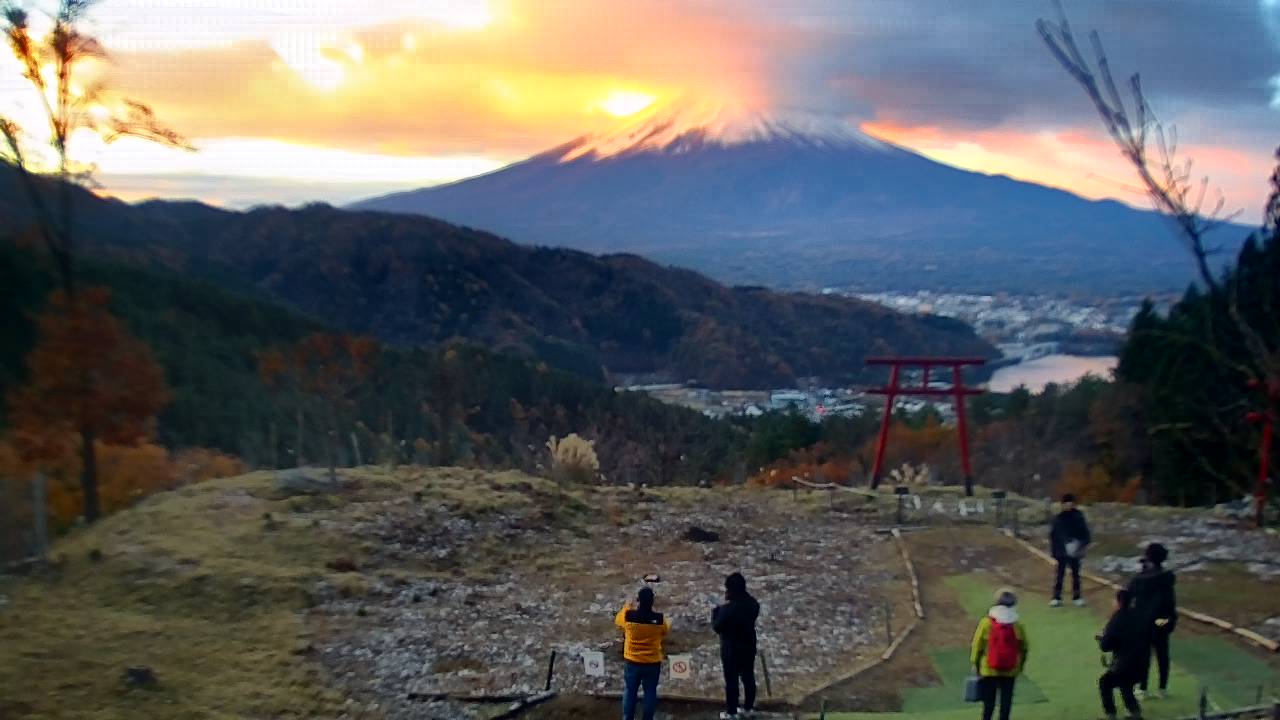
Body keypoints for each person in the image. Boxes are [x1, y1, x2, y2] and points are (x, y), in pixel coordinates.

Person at [970, 588, 1029, 720]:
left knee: (988, 704)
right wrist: (1020, 667)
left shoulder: (986, 623)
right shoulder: (1016, 625)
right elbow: (1024, 647)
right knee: (1005, 705)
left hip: (989, 670)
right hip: (1010, 670)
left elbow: (977, 646)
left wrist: (976, 664)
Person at [1128, 543, 1177, 699]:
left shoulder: (1139, 579)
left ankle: (1142, 688)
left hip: (1142, 622)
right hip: (1161, 621)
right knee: (1163, 654)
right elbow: (1171, 602)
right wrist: (1172, 620)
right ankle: (1163, 688)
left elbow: (1129, 595)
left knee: (1143, 655)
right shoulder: (1167, 578)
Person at [615, 587, 671, 720]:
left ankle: (628, 717)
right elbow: (666, 629)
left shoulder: (628, 616)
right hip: (652, 662)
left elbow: (618, 621)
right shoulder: (659, 619)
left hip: (632, 662)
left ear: (638, 601)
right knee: (650, 693)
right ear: (652, 602)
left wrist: (627, 605)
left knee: (630, 692)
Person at [712, 572, 761, 719]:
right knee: (748, 677)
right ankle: (748, 708)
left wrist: (715, 612)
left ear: (731, 589)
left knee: (731, 681)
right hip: (749, 645)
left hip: (731, 649)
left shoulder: (728, 610)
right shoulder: (753, 603)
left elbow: (717, 627)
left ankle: (732, 712)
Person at [1098, 589, 1145, 720]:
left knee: (1105, 683)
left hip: (1125, 665)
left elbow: (1105, 646)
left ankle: (1111, 714)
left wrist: (1102, 638)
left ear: (1118, 602)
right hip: (1142, 665)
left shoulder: (1117, 619)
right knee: (1125, 684)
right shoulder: (1139, 616)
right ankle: (1135, 712)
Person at [1049, 493, 1092, 607]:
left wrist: (1081, 545)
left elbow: (1085, 534)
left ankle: (1077, 597)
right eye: (1066, 504)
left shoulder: (1078, 517)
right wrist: (1058, 549)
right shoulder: (1059, 518)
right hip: (1062, 552)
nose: (1068, 506)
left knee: (1076, 575)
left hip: (1076, 551)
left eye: (1070, 503)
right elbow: (1054, 535)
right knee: (1060, 574)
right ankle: (1056, 597)